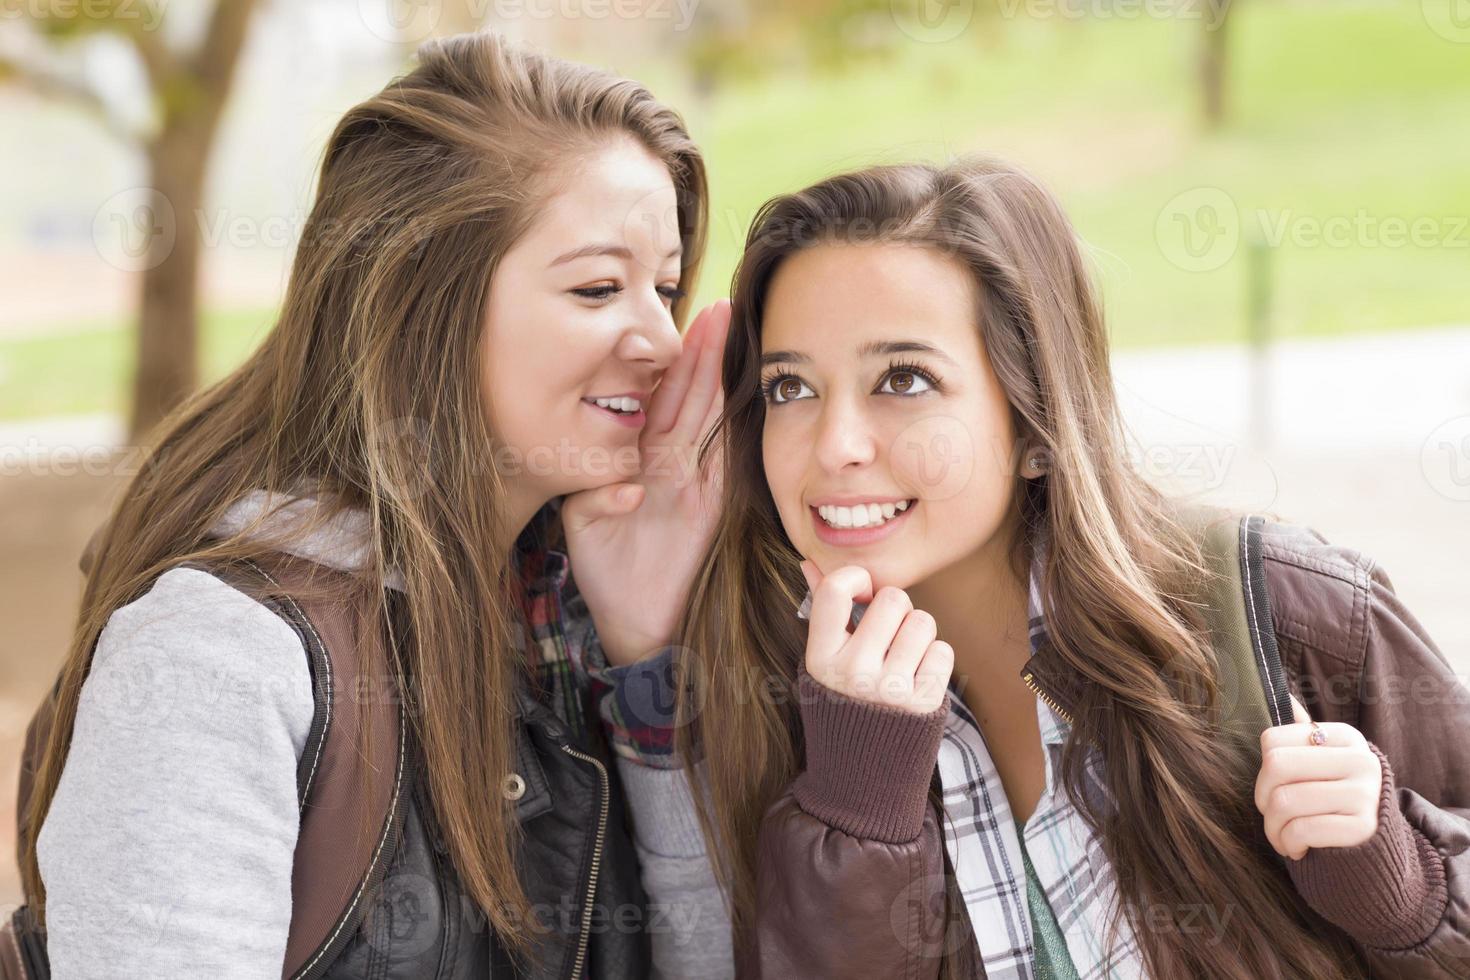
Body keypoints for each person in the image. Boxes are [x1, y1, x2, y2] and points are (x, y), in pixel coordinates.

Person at [25, 32, 733, 979]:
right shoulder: (216, 653)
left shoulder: (581, 615)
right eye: (599, 287)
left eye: (668, 287)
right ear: (421, 298)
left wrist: (648, 660)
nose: (659, 336)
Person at [670, 156, 1470, 978]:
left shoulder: (1285, 611)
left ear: (1037, 422)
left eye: (903, 380)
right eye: (790, 387)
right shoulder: (764, 690)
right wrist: (856, 815)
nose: (835, 446)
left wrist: (1400, 885)